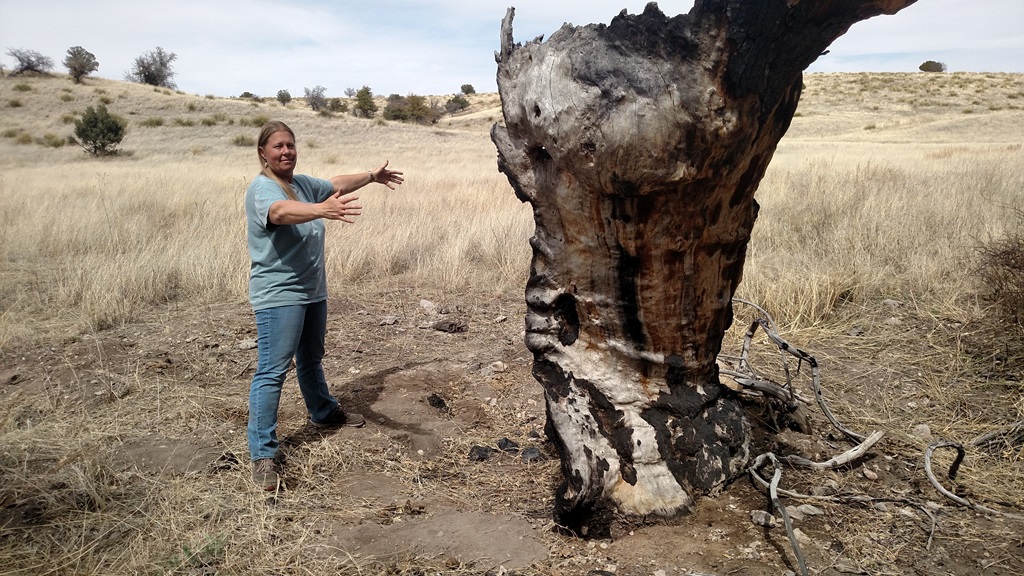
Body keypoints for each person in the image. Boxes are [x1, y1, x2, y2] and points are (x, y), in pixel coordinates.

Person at [245, 120, 404, 491]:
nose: (286, 152)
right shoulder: (262, 189)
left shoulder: (301, 184)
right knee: (272, 370)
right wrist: (321, 211)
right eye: (277, 147)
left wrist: (371, 175)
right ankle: (263, 453)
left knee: (312, 357)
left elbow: (334, 184)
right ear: (263, 154)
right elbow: (281, 213)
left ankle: (322, 412)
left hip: (313, 290)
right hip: (280, 294)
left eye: (290, 145)